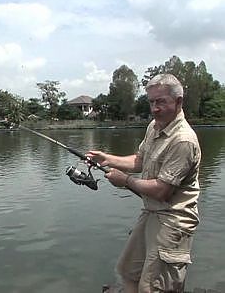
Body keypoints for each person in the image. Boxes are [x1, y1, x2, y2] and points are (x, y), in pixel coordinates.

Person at [86, 74, 201, 293]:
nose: (155, 108)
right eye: (151, 102)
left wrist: (125, 181)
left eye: (161, 101)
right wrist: (107, 159)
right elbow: (140, 160)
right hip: (151, 212)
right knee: (129, 272)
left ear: (178, 102)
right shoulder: (155, 126)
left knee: (155, 286)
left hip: (173, 219)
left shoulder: (183, 140)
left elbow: (161, 190)